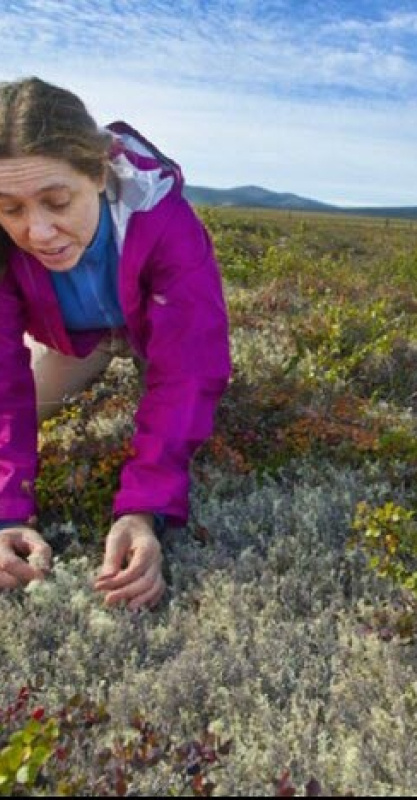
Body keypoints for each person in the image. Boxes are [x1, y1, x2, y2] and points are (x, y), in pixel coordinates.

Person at [0, 77, 231, 610]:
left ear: (100, 172)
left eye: (57, 201)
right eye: (11, 209)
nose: (38, 232)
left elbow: (188, 367)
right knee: (34, 403)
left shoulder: (165, 220)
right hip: (81, 339)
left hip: (154, 329)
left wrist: (142, 510)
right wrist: (8, 510)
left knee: (177, 394)